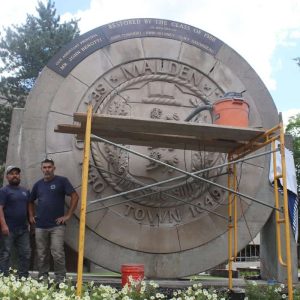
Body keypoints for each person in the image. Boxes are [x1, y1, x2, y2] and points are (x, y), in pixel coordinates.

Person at [28, 158, 79, 281]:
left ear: (54, 168)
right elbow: (30, 201)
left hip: (57, 225)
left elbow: (75, 196)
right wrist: (31, 216)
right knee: (41, 254)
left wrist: (68, 215)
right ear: (41, 169)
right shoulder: (38, 184)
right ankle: (43, 279)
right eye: (44, 167)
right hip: (40, 226)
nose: (47, 170)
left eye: (49, 167)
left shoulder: (62, 181)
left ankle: (60, 279)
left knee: (57, 253)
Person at [0, 166, 31, 277]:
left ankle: (23, 278)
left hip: (23, 229)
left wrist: (30, 221)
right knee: (5, 254)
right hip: (8, 229)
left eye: (17, 173)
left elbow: (28, 207)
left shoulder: (25, 191)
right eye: (12, 173)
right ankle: (4, 279)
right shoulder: (4, 191)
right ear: (7, 176)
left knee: (26, 254)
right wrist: (3, 225)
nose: (14, 175)